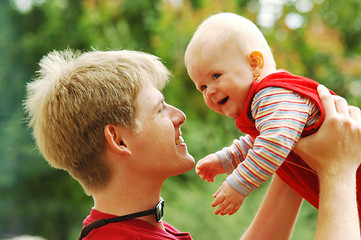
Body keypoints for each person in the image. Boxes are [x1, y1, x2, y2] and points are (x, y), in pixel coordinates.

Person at [24, 49, 360, 240]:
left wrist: (291, 143)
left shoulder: (135, 228)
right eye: (159, 108)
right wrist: (338, 172)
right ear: (118, 139)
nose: (180, 115)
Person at [184, 12, 361, 219]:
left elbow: (275, 140)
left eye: (216, 76)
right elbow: (260, 140)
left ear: (254, 64)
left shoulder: (272, 94)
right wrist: (225, 160)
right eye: (202, 86)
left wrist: (238, 184)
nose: (210, 91)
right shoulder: (268, 107)